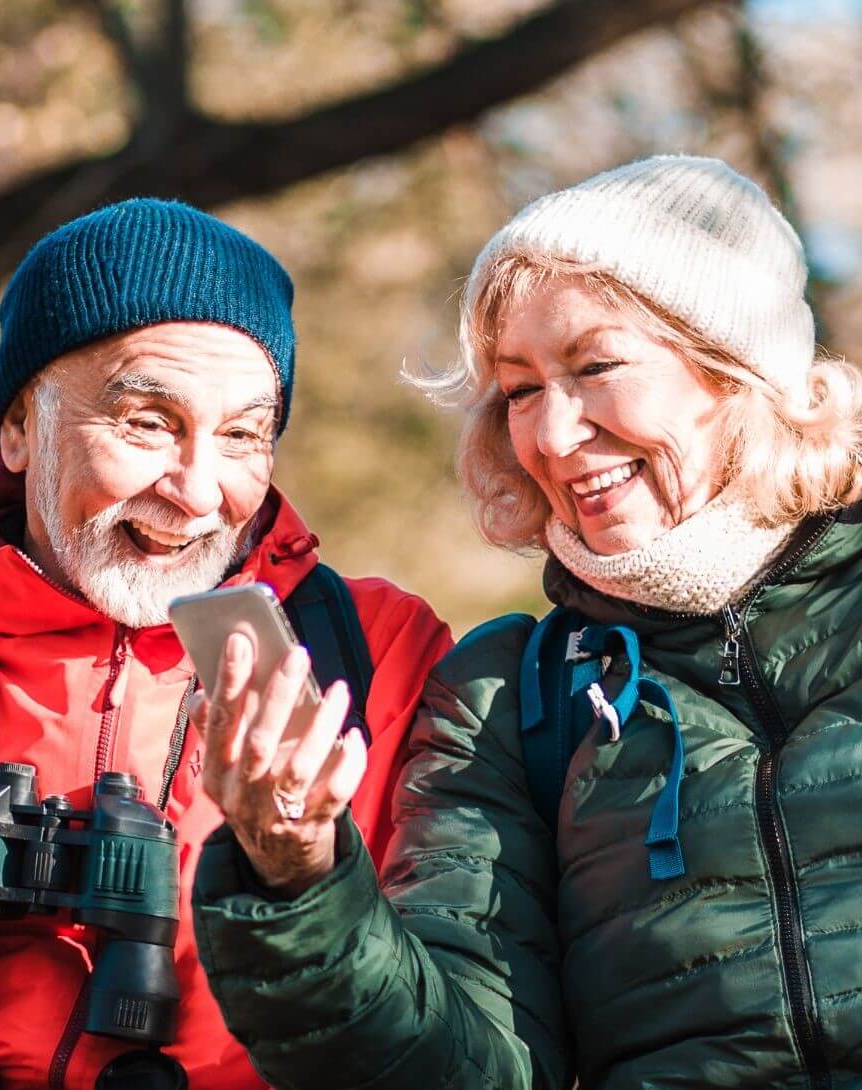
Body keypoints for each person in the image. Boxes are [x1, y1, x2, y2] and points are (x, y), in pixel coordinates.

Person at [189, 156, 862, 1089]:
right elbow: (467, 1070)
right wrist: (299, 880)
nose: (550, 435)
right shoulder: (509, 696)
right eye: (520, 390)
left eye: (596, 367)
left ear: (737, 374)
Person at [0, 198, 453, 1090]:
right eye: (147, 422)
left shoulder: (372, 657)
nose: (197, 490)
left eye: (246, 435)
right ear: (20, 427)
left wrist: (303, 874)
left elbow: (457, 1030)